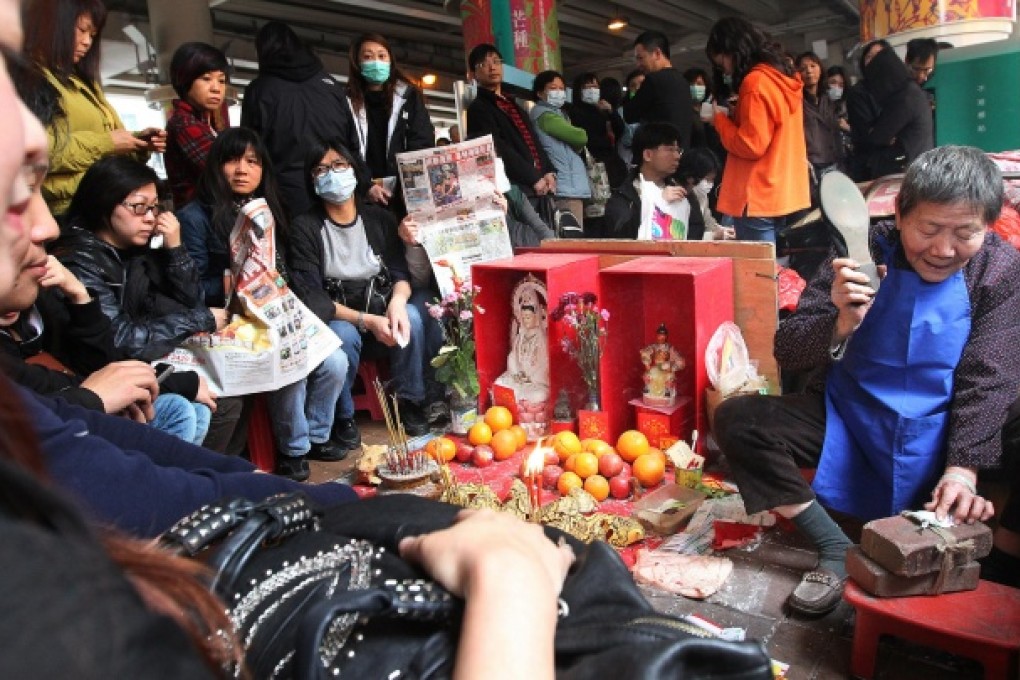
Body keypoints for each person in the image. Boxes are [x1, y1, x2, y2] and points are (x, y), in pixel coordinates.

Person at [714, 146, 1020, 614]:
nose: (943, 250)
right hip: (850, 418)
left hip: (944, 431)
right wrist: (837, 320)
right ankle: (834, 546)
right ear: (899, 214)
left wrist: (964, 466)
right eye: (929, 229)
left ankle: (998, 566)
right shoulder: (862, 246)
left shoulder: (998, 271)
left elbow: (990, 373)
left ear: (990, 225)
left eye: (965, 234)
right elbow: (789, 348)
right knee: (738, 417)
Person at [177, 128, 350, 480]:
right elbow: (190, 288)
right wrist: (233, 282)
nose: (242, 169)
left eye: (252, 162)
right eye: (233, 159)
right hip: (227, 321)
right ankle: (293, 449)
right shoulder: (194, 217)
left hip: (275, 314)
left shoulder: (269, 210)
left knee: (337, 359)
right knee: (288, 368)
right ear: (215, 166)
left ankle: (317, 435)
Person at [288, 136, 439, 438]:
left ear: (353, 171)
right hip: (343, 316)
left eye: (338, 165)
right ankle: (343, 417)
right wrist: (365, 320)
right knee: (340, 337)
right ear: (312, 181)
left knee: (411, 316)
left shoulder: (379, 219)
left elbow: (399, 272)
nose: (331, 174)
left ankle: (412, 401)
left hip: (383, 307)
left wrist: (396, 303)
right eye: (320, 170)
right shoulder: (304, 227)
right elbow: (312, 296)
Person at [23, 0, 166, 217]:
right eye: (82, 30)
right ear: (53, 25)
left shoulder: (82, 81)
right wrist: (107, 143)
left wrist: (137, 144)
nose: (87, 42)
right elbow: (40, 150)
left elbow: (108, 144)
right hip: (67, 214)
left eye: (93, 34)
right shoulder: (30, 77)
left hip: (101, 205)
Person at [705, 17, 810, 244]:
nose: (722, 66)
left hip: (757, 194)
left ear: (731, 49)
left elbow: (751, 144)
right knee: (777, 270)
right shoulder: (782, 78)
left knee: (758, 274)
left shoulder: (755, 83)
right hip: (783, 192)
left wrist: (720, 121)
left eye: (720, 59)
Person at [241, 20, 354, 219]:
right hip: (336, 186)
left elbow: (251, 148)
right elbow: (352, 141)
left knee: (298, 247)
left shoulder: (259, 90)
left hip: (287, 193)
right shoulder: (331, 85)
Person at [344, 32, 435, 217]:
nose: (376, 62)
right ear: (357, 62)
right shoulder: (345, 101)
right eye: (368, 56)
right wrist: (365, 185)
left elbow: (422, 140)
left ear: (390, 61)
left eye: (381, 56)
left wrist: (407, 188)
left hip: (404, 196)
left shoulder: (408, 97)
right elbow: (345, 147)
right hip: (361, 195)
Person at [465, 43, 555, 214]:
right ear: (473, 74)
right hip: (515, 188)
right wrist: (533, 177)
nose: (492, 67)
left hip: (538, 184)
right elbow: (497, 147)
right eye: (484, 64)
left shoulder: (514, 104)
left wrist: (548, 170)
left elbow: (533, 140)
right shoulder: (478, 108)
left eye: (496, 61)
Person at [604, 122, 695, 240]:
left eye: (678, 150)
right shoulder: (624, 196)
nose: (677, 156)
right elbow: (620, 235)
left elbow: (694, 231)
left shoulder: (681, 192)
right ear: (648, 155)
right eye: (670, 149)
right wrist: (659, 202)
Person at [164, 42, 229, 208]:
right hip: (198, 220)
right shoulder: (183, 122)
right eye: (206, 79)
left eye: (221, 80)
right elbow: (225, 171)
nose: (216, 88)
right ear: (185, 81)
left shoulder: (210, 122)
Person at [860, 46, 934, 178]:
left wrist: (877, 134)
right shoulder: (911, 91)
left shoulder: (904, 98)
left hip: (908, 170)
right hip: (917, 165)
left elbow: (878, 136)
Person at [529, 70, 589, 230]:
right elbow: (580, 137)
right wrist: (579, 135)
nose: (559, 92)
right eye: (553, 88)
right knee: (572, 238)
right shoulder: (545, 115)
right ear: (540, 93)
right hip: (564, 187)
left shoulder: (559, 114)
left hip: (568, 185)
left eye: (562, 89)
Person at [622, 30, 693, 151]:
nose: (638, 64)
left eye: (640, 58)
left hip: (660, 156)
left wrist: (633, 91)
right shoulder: (683, 81)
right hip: (681, 153)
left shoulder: (653, 80)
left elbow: (629, 114)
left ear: (657, 53)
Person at [795, 52, 842, 200]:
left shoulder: (828, 99)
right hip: (812, 165)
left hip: (834, 161)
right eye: (803, 68)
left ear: (820, 69)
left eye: (813, 66)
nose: (809, 71)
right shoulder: (797, 101)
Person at [570, 71, 626, 192]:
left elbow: (620, 130)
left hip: (612, 164)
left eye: (595, 86)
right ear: (579, 91)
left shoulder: (602, 110)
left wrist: (611, 111)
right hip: (592, 165)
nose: (592, 90)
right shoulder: (574, 112)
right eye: (587, 87)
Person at [845, 39, 890, 181]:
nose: (874, 60)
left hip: (891, 161)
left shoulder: (896, 89)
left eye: (879, 55)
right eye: (869, 56)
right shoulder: (858, 92)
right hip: (869, 165)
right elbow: (868, 131)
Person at [676, 147, 734, 240]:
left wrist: (723, 230)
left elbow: (708, 222)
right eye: (707, 179)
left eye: (712, 180)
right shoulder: (676, 195)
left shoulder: (702, 197)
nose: (710, 184)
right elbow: (684, 235)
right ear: (690, 176)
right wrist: (713, 236)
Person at [640, 323, 684, 408]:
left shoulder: (670, 348)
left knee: (669, 377)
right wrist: (647, 362)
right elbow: (645, 352)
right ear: (656, 336)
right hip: (655, 367)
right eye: (659, 335)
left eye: (663, 336)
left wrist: (671, 367)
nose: (661, 337)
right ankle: (648, 389)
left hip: (665, 368)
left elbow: (680, 360)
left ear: (666, 336)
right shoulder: (653, 347)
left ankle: (667, 391)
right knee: (649, 374)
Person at [825, 65, 853, 165]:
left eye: (841, 85)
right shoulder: (819, 106)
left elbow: (862, 134)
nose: (836, 87)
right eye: (833, 82)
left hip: (848, 158)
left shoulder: (850, 106)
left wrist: (847, 128)